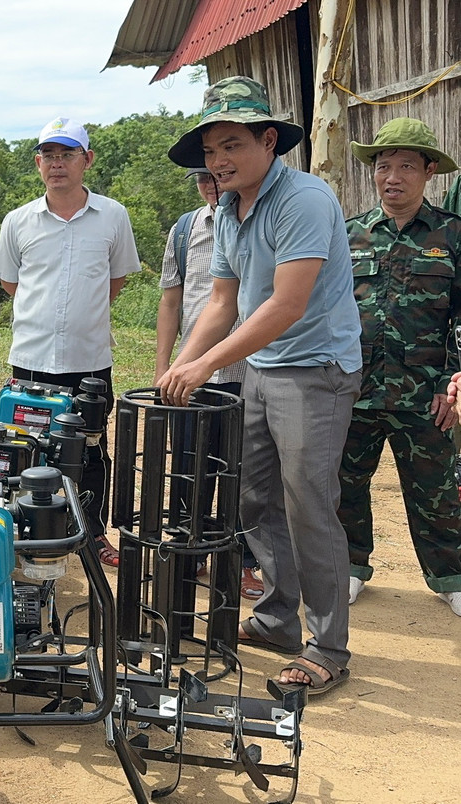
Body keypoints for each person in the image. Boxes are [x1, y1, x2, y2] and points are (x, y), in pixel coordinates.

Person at [159, 76, 362, 696]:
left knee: (307, 503)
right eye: (210, 152)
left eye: (230, 146)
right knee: (250, 497)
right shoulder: (226, 207)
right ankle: (278, 617)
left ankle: (328, 646)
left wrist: (201, 367)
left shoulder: (304, 198)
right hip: (260, 368)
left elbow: (287, 304)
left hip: (316, 370)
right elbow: (222, 301)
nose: (218, 162)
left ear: (268, 139)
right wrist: (180, 366)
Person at [0, 116, 140, 568]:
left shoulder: (113, 216)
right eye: (48, 156)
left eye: (67, 154)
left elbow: (116, 280)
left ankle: (92, 532)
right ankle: (27, 533)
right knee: (25, 448)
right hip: (32, 359)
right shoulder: (18, 221)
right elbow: (11, 284)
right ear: (38, 164)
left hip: (88, 359)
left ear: (86, 160)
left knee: (91, 448)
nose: (57, 164)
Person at [337, 117, 461, 616]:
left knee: (438, 490)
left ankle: (452, 576)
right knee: (344, 484)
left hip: (426, 393)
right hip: (355, 389)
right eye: (383, 166)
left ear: (429, 171)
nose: (392, 177)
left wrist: (453, 382)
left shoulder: (452, 235)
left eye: (406, 166)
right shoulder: (349, 235)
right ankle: (348, 567)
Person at [155, 166, 263, 600]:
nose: (211, 186)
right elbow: (170, 300)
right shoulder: (184, 230)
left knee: (241, 470)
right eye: (202, 178)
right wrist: (165, 365)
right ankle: (190, 551)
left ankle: (241, 561)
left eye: (215, 177)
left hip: (248, 372)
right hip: (191, 372)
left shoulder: (258, 222)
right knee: (189, 467)